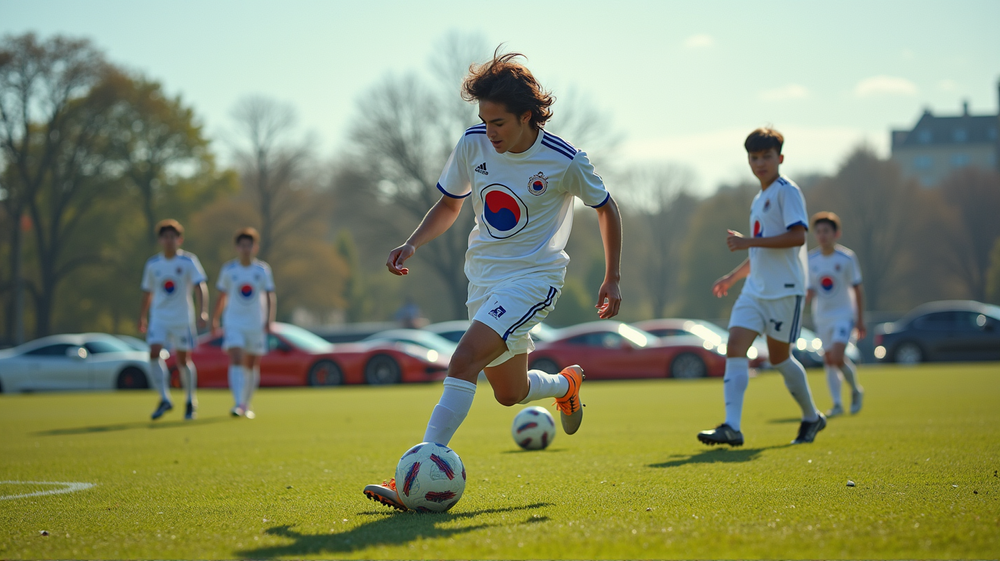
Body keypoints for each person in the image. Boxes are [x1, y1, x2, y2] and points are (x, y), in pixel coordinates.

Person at [364, 49, 623, 511]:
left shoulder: (565, 160)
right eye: (484, 120)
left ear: (527, 116)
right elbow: (449, 205)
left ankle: (413, 476)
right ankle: (566, 386)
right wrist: (412, 243)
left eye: (499, 123)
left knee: (461, 361)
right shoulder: (473, 143)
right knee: (510, 393)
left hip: (534, 279)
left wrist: (613, 277)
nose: (490, 132)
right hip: (482, 278)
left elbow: (607, 208)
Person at [699, 128, 825, 447]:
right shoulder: (759, 198)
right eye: (754, 158)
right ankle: (732, 426)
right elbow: (759, 252)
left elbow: (798, 236)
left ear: (780, 158)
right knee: (735, 346)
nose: (760, 163)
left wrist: (748, 242)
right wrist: (732, 277)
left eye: (766, 156)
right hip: (755, 291)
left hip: (784, 291)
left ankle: (812, 416)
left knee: (781, 360)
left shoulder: (787, 191)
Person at [139, 219, 208, 421]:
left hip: (182, 319)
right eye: (165, 237)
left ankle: (189, 400)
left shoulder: (188, 262)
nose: (169, 241)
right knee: (153, 353)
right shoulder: (153, 264)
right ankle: (164, 398)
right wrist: (142, 316)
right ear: (160, 240)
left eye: (173, 237)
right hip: (159, 317)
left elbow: (200, 286)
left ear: (180, 239)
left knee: (182, 360)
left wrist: (203, 311)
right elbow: (147, 292)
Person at [805, 211, 865, 417]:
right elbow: (810, 289)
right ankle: (837, 404)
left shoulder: (847, 258)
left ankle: (856, 390)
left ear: (836, 234)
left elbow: (857, 288)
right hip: (822, 317)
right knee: (829, 360)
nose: (822, 235)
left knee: (838, 356)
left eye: (826, 231)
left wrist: (860, 320)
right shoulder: (810, 260)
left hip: (844, 315)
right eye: (819, 231)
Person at [212, 227, 276, 420]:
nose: (246, 249)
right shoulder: (229, 270)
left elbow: (270, 295)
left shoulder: (262, 270)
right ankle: (237, 402)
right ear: (237, 247)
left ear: (254, 247)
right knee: (237, 357)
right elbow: (222, 296)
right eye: (242, 245)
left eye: (249, 245)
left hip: (256, 322)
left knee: (252, 364)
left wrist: (269, 320)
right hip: (234, 322)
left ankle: (245, 403)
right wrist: (215, 318)